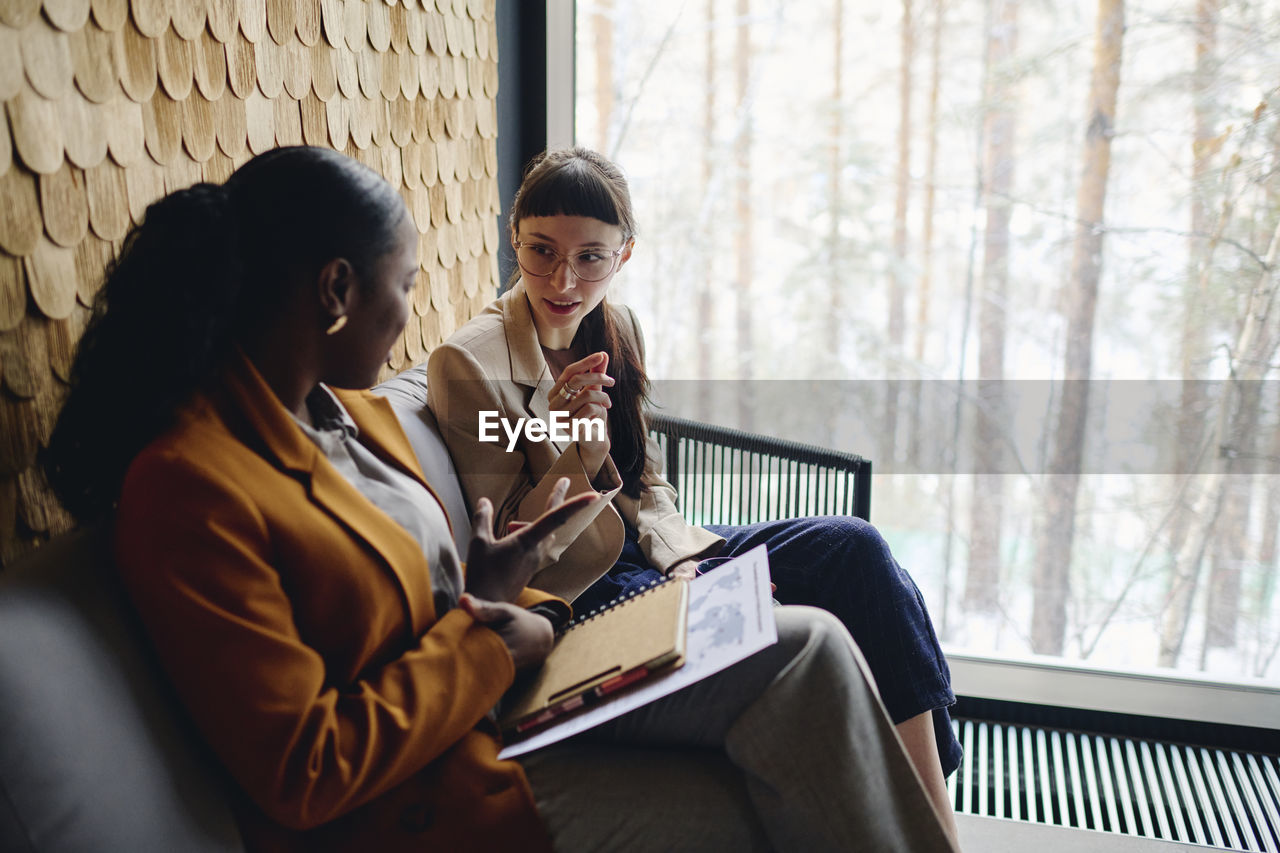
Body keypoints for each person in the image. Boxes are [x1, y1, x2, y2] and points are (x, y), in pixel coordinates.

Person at [43, 145, 959, 852]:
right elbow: (305, 767)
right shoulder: (190, 485)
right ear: (334, 290)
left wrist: (493, 581)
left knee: (820, 630)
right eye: (402, 286)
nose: (411, 313)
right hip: (436, 770)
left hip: (499, 673)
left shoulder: (342, 416)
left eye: (591, 258)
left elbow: (455, 566)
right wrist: (493, 615)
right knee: (794, 694)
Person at [426, 146, 963, 835]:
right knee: (773, 619)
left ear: (623, 255)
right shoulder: (469, 363)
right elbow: (508, 546)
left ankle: (936, 827)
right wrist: (573, 452)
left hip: (642, 557)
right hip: (573, 592)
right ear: (514, 238)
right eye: (541, 250)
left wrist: (678, 556)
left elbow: (648, 481)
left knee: (853, 550)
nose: (563, 277)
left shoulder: (616, 328)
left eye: (590, 256)